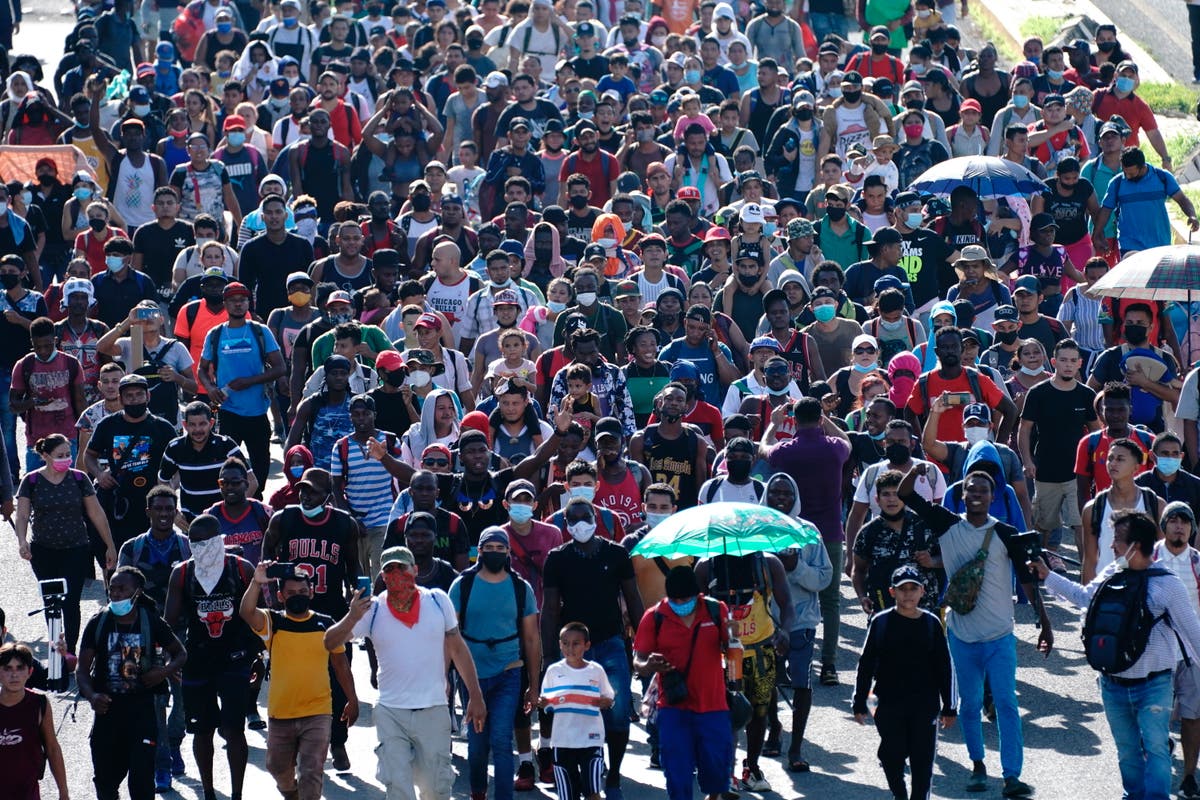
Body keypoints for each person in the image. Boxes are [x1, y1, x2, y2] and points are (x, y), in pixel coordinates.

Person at [898, 463, 1052, 797]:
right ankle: (978, 765)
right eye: (971, 489)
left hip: (1000, 636)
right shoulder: (946, 524)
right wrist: (918, 468)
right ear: (962, 495)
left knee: (1007, 705)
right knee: (968, 705)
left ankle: (1012, 775)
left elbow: (1027, 581)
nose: (977, 494)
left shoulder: (1006, 533)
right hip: (961, 635)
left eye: (984, 490)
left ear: (994, 497)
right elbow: (906, 494)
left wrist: (1045, 623)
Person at [1033, 509, 1200, 800]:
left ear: (1137, 545)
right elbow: (1084, 597)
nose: (1112, 547)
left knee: (1157, 748)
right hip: (1112, 685)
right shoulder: (1113, 573)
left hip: (1155, 685)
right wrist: (1048, 577)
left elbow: (1195, 636)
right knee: (1127, 753)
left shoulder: (1168, 585)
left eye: (1118, 540)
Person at [324, 545, 486, 800]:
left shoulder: (437, 600)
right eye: (390, 569)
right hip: (391, 713)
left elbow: (457, 647)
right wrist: (352, 616)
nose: (397, 574)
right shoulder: (372, 609)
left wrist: (475, 696)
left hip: (433, 710)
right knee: (398, 788)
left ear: (416, 570)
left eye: (403, 567)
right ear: (382, 576)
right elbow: (330, 642)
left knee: (436, 790)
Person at [542, 495, 644, 800]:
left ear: (595, 518)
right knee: (573, 714)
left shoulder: (616, 554)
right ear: (566, 524)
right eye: (572, 520)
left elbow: (634, 598)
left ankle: (612, 778)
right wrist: (549, 656)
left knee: (617, 711)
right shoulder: (557, 558)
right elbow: (549, 609)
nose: (580, 524)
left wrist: (644, 641)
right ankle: (584, 776)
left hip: (611, 643)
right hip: (573, 650)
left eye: (585, 517)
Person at [238, 560, 358, 800]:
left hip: (318, 711)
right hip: (281, 713)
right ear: (281, 596)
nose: (297, 596)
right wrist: (256, 582)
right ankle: (292, 794)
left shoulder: (325, 624)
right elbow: (246, 612)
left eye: (303, 592)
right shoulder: (273, 622)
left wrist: (352, 700)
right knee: (277, 767)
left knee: (311, 772)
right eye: (291, 593)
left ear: (311, 593)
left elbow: (341, 665)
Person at [164, 514, 258, 800]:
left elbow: (259, 616)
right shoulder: (181, 573)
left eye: (208, 542)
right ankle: (207, 792)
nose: (203, 549)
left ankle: (237, 793)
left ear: (220, 541)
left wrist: (259, 657)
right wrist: (173, 659)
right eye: (196, 544)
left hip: (236, 659)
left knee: (233, 729)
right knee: (201, 731)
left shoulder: (241, 568)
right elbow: (168, 622)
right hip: (198, 660)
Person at [77, 566, 188, 800]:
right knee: (106, 783)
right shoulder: (98, 623)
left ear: (137, 592)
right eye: (112, 588)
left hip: (143, 715)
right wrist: (92, 696)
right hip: (108, 716)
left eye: (121, 589)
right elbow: (82, 670)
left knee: (141, 782)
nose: (114, 594)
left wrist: (163, 672)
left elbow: (180, 654)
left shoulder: (151, 622)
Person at [449, 527, 540, 800]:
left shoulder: (520, 588)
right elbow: (450, 635)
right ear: (479, 551)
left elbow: (532, 639)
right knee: (477, 746)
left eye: (501, 549)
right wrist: (444, 679)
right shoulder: (462, 585)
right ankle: (478, 791)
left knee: (501, 740)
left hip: (508, 672)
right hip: (471, 675)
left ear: (508, 553)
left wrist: (534, 686)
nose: (495, 553)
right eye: (489, 548)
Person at [764, 397, 849, 685]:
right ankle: (829, 665)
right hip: (829, 531)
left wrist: (774, 425)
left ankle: (792, 656)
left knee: (785, 594)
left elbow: (764, 450)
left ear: (795, 421)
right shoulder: (834, 448)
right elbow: (847, 441)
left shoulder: (787, 451)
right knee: (830, 600)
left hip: (793, 530)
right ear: (820, 418)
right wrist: (828, 421)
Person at [853, 565, 956, 800]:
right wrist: (859, 703)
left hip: (924, 704)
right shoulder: (880, 622)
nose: (908, 594)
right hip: (887, 703)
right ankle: (899, 795)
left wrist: (950, 706)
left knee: (922, 760)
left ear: (922, 592)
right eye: (902, 589)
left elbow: (945, 667)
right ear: (892, 592)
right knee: (891, 755)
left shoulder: (931, 624)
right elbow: (866, 665)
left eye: (913, 588)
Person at [633, 565, 733, 800]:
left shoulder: (716, 610)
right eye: (675, 599)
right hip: (673, 707)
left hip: (713, 706)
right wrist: (648, 666)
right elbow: (638, 659)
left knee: (717, 768)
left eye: (685, 598)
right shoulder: (655, 616)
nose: (681, 603)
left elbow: (733, 646)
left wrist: (732, 641)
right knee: (676, 771)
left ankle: (714, 796)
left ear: (697, 594)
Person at [116, 486, 192, 791]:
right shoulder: (132, 549)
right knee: (155, 701)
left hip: (181, 637)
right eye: (158, 509)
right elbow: (119, 594)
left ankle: (175, 742)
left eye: (169, 510)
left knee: (184, 699)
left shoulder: (187, 548)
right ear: (148, 512)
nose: (163, 515)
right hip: (144, 637)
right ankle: (162, 761)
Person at [15, 432, 117, 653]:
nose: (65, 459)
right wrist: (22, 541)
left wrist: (110, 545)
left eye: (67, 454)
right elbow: (22, 515)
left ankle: (69, 650)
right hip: (42, 551)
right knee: (51, 603)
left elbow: (96, 514)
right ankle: (55, 649)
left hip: (76, 549)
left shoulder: (80, 479)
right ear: (45, 455)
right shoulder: (31, 481)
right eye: (59, 455)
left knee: (71, 602)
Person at [197, 281, 286, 493]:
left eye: (242, 300)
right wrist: (210, 388)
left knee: (261, 472)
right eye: (233, 301)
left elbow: (280, 367)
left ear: (249, 303)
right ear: (225, 304)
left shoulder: (260, 331)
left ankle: (257, 513)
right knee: (225, 469)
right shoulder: (215, 334)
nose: (238, 305)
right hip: (228, 412)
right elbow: (202, 369)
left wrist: (249, 381)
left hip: (257, 413)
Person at [1018, 339, 1099, 569]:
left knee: (1081, 524)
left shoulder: (1086, 395)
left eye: (1073, 361)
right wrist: (1027, 461)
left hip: (1078, 474)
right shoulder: (1038, 393)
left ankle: (1087, 574)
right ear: (1053, 362)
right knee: (1044, 524)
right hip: (1045, 470)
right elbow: (1024, 429)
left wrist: (1097, 464)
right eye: (1063, 360)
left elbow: (1097, 432)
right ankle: (1040, 567)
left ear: (1080, 364)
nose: (1068, 365)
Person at [83, 374, 177, 549]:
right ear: (120, 399)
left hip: (153, 506)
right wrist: (99, 474)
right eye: (129, 396)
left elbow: (180, 462)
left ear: (148, 396)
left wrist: (169, 486)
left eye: (139, 394)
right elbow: (89, 455)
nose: (135, 400)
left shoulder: (163, 427)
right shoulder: (107, 424)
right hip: (118, 503)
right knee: (113, 557)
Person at [538, 621, 615, 800]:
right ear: (559, 644)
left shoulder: (596, 671)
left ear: (587, 645)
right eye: (565, 643)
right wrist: (542, 702)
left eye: (575, 643)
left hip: (591, 740)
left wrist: (605, 702)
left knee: (593, 792)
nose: (569, 648)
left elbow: (609, 697)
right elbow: (546, 702)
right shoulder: (553, 671)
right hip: (563, 741)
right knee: (568, 795)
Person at [0, 641, 70, 800]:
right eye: (7, 668)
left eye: (20, 668)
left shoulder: (39, 704)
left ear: (30, 672)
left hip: (27, 794)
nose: (14, 675)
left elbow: (52, 748)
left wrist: (63, 793)